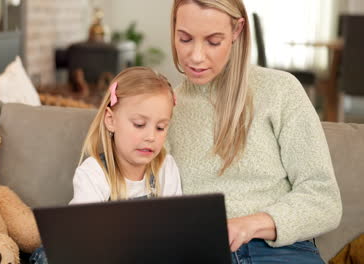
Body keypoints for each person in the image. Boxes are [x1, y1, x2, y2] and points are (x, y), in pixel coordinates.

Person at [167, 0, 342, 263]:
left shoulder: (281, 90)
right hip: (201, 251)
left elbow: (324, 199)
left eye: (213, 41)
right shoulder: (163, 111)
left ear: (237, 31)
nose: (196, 56)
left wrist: (248, 225)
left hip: (281, 252)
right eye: (185, 38)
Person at [30, 66, 182, 264]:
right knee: (47, 256)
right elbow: (84, 239)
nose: (151, 137)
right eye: (139, 124)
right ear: (111, 120)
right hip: (99, 254)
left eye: (161, 127)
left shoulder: (165, 167)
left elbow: (175, 231)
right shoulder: (93, 173)